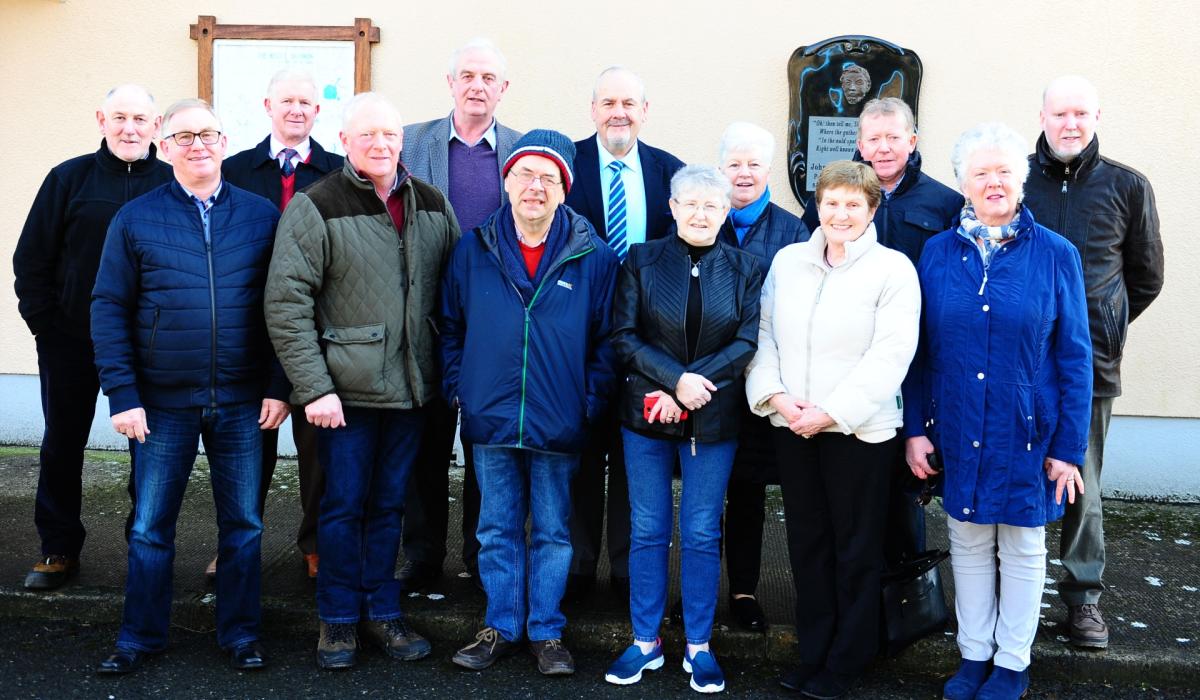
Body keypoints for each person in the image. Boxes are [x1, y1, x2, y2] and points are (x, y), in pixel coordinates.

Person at [91, 99, 289, 674]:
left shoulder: (260, 216)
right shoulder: (136, 218)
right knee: (152, 526)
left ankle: (241, 634)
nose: (197, 144)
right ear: (165, 146)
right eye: (183, 136)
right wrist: (122, 395)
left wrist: (278, 386)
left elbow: (283, 307)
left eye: (207, 134)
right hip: (159, 404)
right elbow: (108, 308)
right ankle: (140, 638)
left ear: (225, 141)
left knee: (245, 525)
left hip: (243, 400)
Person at [265, 92, 460, 670]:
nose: (380, 145)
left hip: (410, 390)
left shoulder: (430, 202)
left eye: (390, 135)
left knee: (389, 505)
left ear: (403, 142)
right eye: (367, 135)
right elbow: (286, 303)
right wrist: (314, 387)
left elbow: (452, 291)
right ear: (345, 141)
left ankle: (383, 610)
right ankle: (338, 621)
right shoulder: (316, 204)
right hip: (342, 395)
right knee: (343, 504)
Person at [903, 123, 1092, 700]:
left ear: (1022, 179)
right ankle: (974, 655)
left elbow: (1076, 357)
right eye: (980, 173)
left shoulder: (1057, 255)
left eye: (1004, 172)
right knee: (968, 536)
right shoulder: (936, 253)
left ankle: (1012, 660)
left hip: (1027, 428)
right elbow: (918, 353)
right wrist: (914, 430)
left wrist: (1068, 448)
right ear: (962, 183)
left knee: (1022, 542)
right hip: (957, 422)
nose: (993, 183)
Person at [442, 129, 619, 675]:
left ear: (564, 189)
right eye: (524, 174)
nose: (535, 187)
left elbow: (608, 341)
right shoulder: (474, 248)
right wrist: (461, 388)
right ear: (507, 182)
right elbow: (449, 327)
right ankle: (500, 625)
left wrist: (586, 403)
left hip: (559, 418)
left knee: (552, 529)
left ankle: (546, 632)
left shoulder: (593, 256)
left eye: (548, 178)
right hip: (491, 416)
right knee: (494, 527)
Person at [745, 160, 920, 699]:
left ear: (871, 210)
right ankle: (814, 651)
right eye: (831, 202)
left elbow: (890, 355)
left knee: (855, 548)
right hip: (792, 425)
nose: (840, 213)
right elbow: (764, 334)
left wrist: (831, 412)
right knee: (807, 545)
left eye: (853, 204)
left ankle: (849, 658)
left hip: (859, 433)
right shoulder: (788, 260)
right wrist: (776, 398)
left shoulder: (893, 270)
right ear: (817, 206)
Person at [603, 165, 761, 693]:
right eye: (690, 203)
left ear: (725, 212)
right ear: (671, 207)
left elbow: (745, 343)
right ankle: (644, 641)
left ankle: (699, 645)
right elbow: (623, 336)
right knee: (647, 529)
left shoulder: (745, 268)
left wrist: (693, 388)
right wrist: (674, 383)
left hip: (713, 419)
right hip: (646, 415)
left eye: (712, 205)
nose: (700, 213)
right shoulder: (641, 261)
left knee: (699, 531)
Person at [1023, 75, 1164, 649]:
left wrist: (1096, 327)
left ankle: (1082, 599)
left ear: (1098, 115)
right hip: (1019, 364)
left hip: (1092, 367)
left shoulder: (1127, 186)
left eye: (1081, 113)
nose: (1070, 124)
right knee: (1020, 474)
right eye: (1060, 114)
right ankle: (1016, 595)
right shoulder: (1016, 178)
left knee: (1082, 482)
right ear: (1043, 115)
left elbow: (1146, 277)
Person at [13, 84, 171, 591]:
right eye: (120, 117)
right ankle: (57, 548)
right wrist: (46, 324)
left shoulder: (171, 182)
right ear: (101, 119)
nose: (130, 128)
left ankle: (143, 546)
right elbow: (31, 258)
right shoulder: (68, 178)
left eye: (140, 119)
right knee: (63, 441)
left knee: (148, 446)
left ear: (156, 126)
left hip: (148, 343)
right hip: (71, 338)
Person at [801, 96, 961, 568]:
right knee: (853, 487)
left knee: (906, 483)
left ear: (912, 141)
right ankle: (854, 583)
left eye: (894, 137)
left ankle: (905, 593)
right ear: (860, 143)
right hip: (845, 364)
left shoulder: (945, 203)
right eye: (874, 138)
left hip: (913, 362)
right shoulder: (834, 200)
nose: (884, 147)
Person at [400, 37, 522, 592]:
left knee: (485, 445)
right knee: (424, 444)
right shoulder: (409, 144)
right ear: (450, 83)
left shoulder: (522, 152)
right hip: (423, 316)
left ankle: (478, 554)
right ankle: (422, 555)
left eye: (488, 78)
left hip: (492, 324)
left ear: (503, 88)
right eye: (467, 76)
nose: (477, 86)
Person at [562, 66, 684, 601]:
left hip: (646, 342)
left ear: (645, 111)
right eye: (608, 102)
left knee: (637, 458)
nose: (619, 112)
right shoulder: (566, 166)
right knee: (582, 453)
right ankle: (579, 566)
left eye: (629, 103)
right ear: (592, 110)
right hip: (576, 335)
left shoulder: (669, 174)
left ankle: (628, 570)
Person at [221, 68, 344, 581]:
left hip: (319, 329)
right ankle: (236, 545)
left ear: (318, 113)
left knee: (319, 453)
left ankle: (314, 543)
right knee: (250, 449)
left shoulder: (338, 171)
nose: (296, 110)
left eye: (306, 103)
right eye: (286, 101)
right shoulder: (235, 169)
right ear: (267, 106)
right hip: (249, 331)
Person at [714, 122, 809, 634]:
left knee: (776, 491)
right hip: (715, 384)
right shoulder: (704, 219)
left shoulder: (793, 231)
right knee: (729, 492)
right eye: (734, 164)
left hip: (773, 383)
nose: (743, 173)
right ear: (720, 169)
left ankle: (779, 593)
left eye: (753, 164)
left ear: (768, 170)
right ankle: (726, 590)